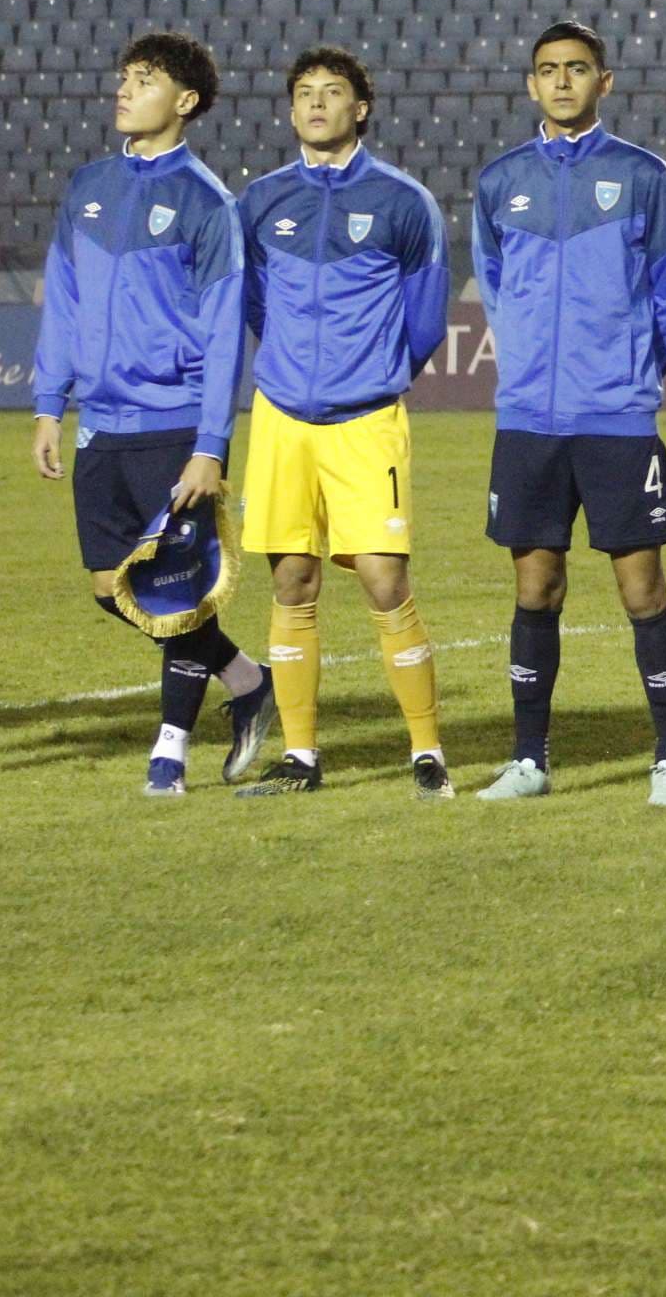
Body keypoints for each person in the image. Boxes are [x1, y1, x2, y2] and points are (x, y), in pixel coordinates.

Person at [30, 32, 278, 796]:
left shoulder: (207, 201)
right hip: (103, 424)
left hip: (175, 427)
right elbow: (63, 301)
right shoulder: (88, 187)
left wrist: (211, 443)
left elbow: (221, 327)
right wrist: (49, 403)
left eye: (143, 79)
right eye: (124, 75)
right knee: (114, 589)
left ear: (186, 102)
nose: (124, 89)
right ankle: (245, 678)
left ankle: (169, 750)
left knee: (173, 587)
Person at [471, 22, 666, 803]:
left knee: (643, 591)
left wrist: (633, 368)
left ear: (605, 81)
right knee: (535, 588)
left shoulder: (642, 176)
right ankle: (529, 759)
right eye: (547, 71)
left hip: (616, 419)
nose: (561, 82)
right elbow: (495, 287)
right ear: (531, 84)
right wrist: (532, 363)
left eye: (576, 69)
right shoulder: (502, 182)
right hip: (530, 420)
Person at [233, 47, 453, 799]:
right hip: (281, 418)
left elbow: (425, 322)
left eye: (332, 93)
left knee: (385, 583)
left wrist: (370, 377)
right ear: (290, 109)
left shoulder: (403, 201)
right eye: (303, 93)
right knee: (291, 580)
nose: (316, 104)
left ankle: (427, 751)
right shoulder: (260, 201)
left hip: (366, 422)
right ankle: (300, 756)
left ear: (362, 107)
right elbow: (253, 306)